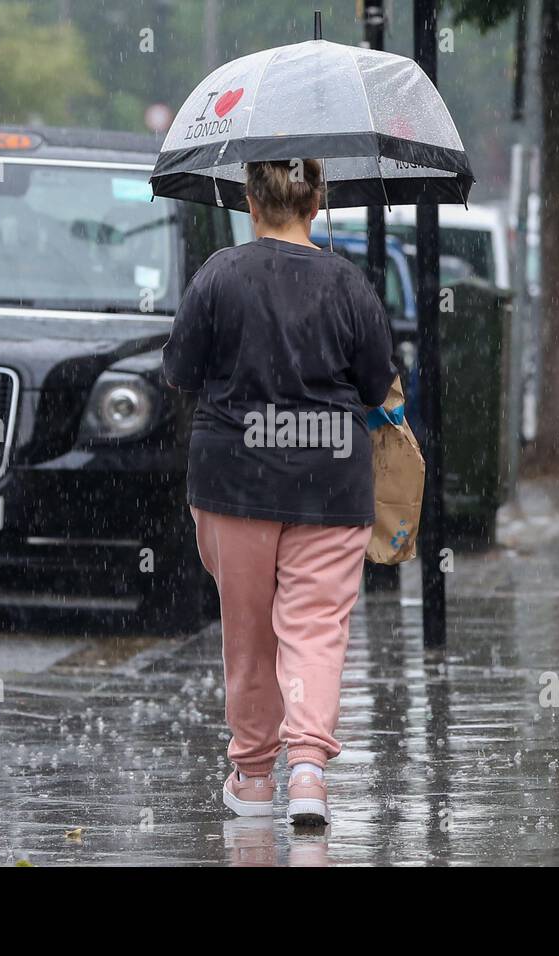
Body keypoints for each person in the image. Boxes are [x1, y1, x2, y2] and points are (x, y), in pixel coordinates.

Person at [162, 159, 396, 826]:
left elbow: (179, 370)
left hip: (235, 476)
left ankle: (255, 776)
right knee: (316, 632)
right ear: (316, 201)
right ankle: (310, 774)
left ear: (248, 200)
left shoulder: (219, 275)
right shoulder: (349, 284)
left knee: (249, 631)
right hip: (330, 481)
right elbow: (377, 387)